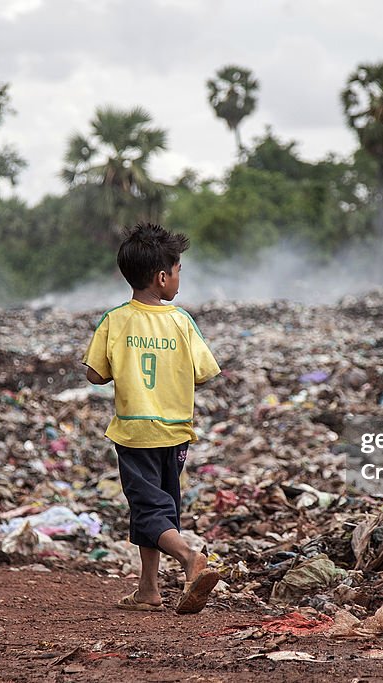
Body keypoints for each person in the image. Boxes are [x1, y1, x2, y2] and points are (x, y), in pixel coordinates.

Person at [83, 222, 221, 614]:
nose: (179, 279)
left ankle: (190, 558)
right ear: (162, 277)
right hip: (175, 431)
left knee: (148, 508)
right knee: (161, 507)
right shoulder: (181, 321)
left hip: (135, 430)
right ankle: (148, 589)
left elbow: (94, 375)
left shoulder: (114, 320)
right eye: (178, 271)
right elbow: (205, 372)